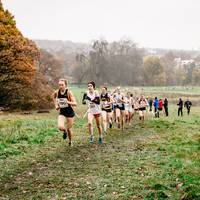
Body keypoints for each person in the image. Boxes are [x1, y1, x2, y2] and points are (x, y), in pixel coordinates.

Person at [53, 78, 77, 146]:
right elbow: (54, 98)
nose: (60, 86)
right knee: (60, 127)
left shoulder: (69, 92)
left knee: (69, 129)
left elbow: (75, 103)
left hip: (70, 113)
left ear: (65, 85)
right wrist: (56, 105)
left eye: (62, 85)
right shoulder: (57, 92)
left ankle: (70, 141)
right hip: (62, 112)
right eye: (59, 85)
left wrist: (67, 102)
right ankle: (64, 131)